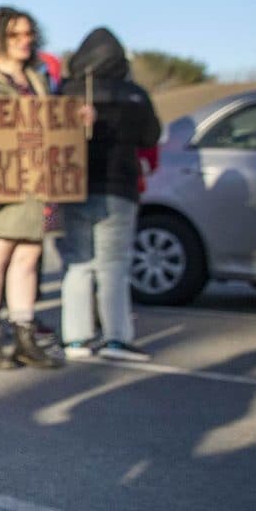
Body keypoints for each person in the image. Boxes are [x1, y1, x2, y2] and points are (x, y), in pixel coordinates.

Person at [0, 6, 81, 370]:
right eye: (14, 35)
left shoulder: (38, 81)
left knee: (28, 256)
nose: (24, 42)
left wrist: (75, 121)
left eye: (28, 35)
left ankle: (25, 334)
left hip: (35, 184)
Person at [59, 27, 161, 362]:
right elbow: (151, 136)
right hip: (119, 187)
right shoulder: (134, 95)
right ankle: (116, 338)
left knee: (78, 263)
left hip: (73, 186)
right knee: (113, 265)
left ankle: (75, 338)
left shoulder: (67, 92)